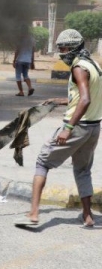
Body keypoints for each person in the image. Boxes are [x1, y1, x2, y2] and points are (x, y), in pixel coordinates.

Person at [14, 29, 102, 228]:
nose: (61, 52)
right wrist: (60, 101)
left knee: (43, 162)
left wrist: (68, 128)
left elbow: (86, 99)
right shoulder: (93, 64)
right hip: (93, 127)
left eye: (63, 48)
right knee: (82, 170)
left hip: (77, 127)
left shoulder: (78, 68)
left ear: (72, 48)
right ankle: (88, 217)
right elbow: (85, 97)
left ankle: (34, 213)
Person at [13, 28, 35, 96]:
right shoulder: (32, 39)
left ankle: (21, 92)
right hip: (28, 60)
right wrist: (32, 62)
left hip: (20, 60)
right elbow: (33, 51)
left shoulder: (20, 39)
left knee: (18, 76)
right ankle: (30, 87)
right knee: (25, 75)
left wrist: (14, 60)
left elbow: (17, 50)